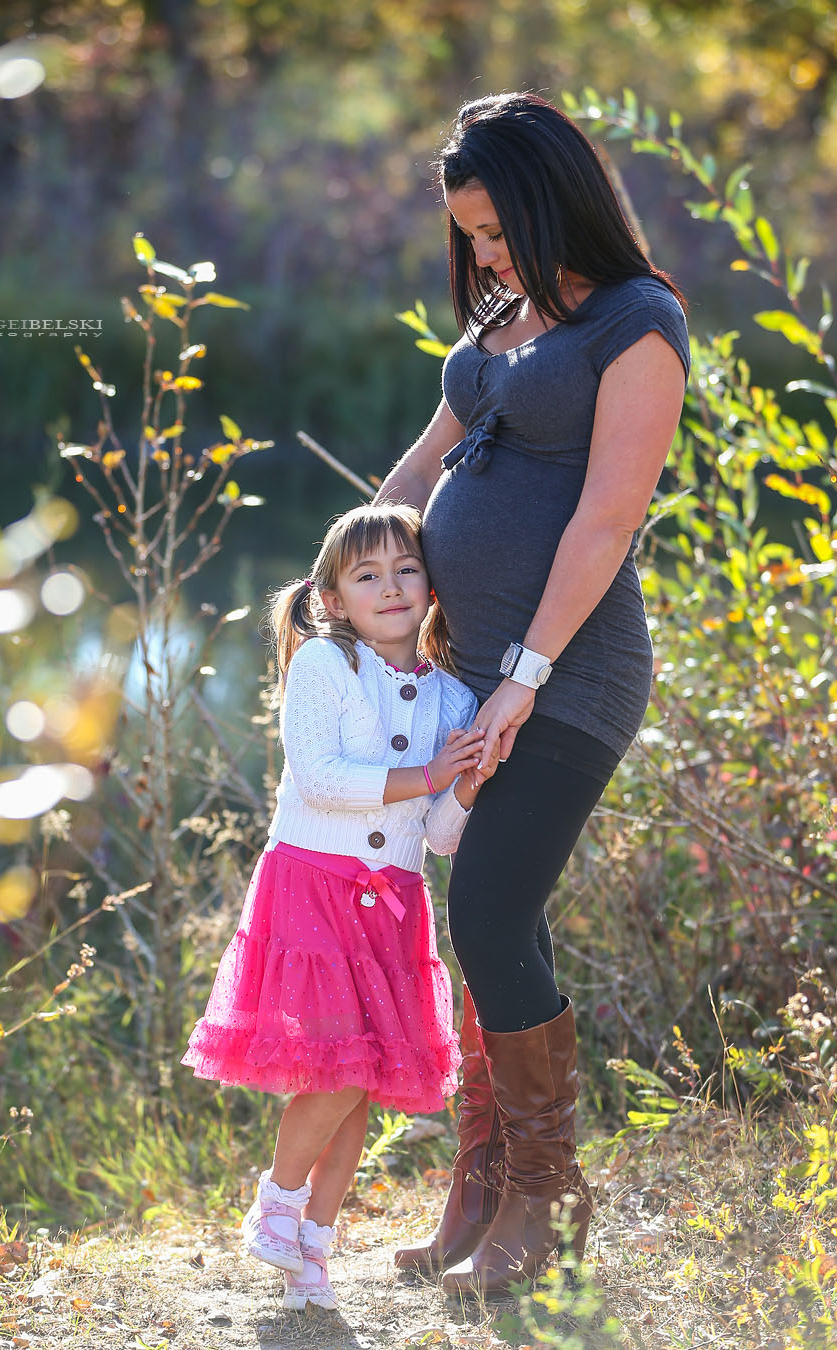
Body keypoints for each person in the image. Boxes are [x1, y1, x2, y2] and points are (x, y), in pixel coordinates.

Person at [378, 93, 690, 1295]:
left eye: (500, 230)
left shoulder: (636, 320)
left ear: (555, 196)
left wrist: (519, 679)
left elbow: (607, 520)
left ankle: (544, 1203)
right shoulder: (507, 318)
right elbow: (417, 467)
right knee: (486, 921)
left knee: (492, 911)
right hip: (474, 676)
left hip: (568, 675)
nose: (488, 258)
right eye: (473, 240)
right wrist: (335, 580)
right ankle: (485, 1181)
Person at [181, 502, 486, 1313]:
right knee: (336, 1066)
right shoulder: (325, 664)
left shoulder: (453, 697)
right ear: (332, 597)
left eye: (406, 569)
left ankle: (312, 1246)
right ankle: (277, 1201)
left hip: (392, 904)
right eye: (367, 575)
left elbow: (444, 836)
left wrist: (468, 779)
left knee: (365, 1074)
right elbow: (318, 778)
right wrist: (427, 777)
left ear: (432, 581)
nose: (391, 587)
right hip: (314, 885)